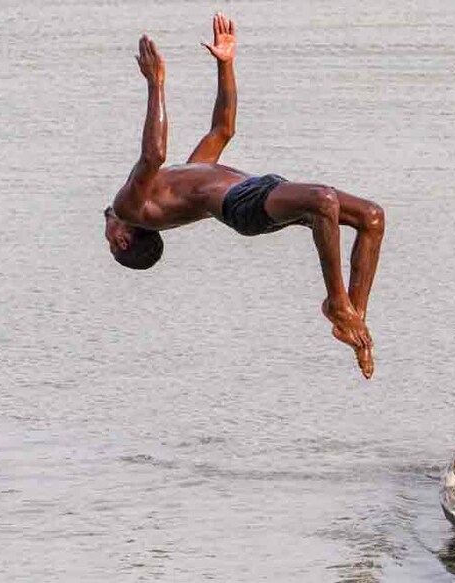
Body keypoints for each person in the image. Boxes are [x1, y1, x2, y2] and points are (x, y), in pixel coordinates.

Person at [103, 14, 385, 379]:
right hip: (243, 206)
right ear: (124, 239)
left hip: (261, 189)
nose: (105, 224)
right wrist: (155, 84)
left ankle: (354, 319)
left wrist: (226, 64)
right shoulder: (132, 208)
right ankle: (337, 304)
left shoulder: (183, 182)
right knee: (323, 201)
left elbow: (223, 128)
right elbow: (153, 154)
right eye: (109, 240)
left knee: (372, 217)